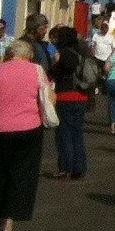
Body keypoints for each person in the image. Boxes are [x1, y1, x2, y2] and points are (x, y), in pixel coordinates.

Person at [0, 39, 54, 231]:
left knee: (1, 174)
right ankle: (8, 224)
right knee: (21, 175)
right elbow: (50, 98)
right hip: (28, 128)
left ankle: (0, 218)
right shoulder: (36, 70)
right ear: (28, 55)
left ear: (8, 54)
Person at [43, 27, 88, 181]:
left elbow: (56, 73)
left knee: (64, 134)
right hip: (81, 96)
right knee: (77, 133)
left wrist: (54, 64)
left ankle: (65, 167)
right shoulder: (81, 52)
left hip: (66, 96)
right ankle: (79, 167)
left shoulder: (64, 54)